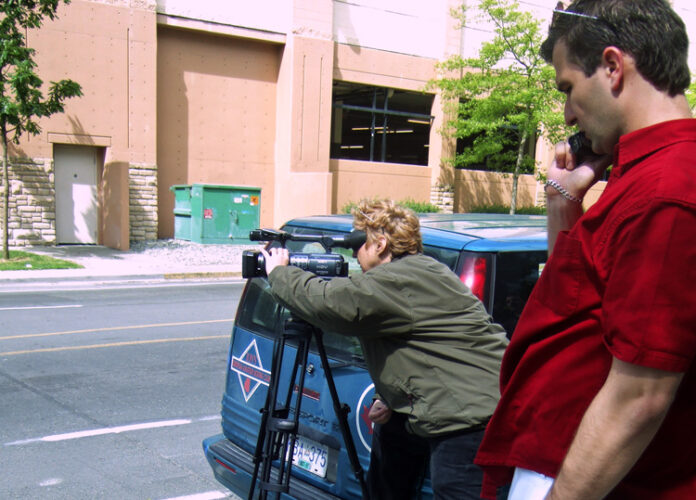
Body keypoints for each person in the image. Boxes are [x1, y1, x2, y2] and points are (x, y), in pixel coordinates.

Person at [474, 1, 696, 498]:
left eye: (568, 88)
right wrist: (563, 202)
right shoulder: (642, 179)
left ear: (613, 67)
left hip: (590, 479)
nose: (569, 112)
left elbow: (639, 395)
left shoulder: (667, 192)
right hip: (560, 458)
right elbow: (573, 306)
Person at [261, 199, 509, 500]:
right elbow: (416, 346)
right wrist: (389, 396)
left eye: (358, 242)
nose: (353, 252)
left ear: (380, 244)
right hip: (453, 404)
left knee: (456, 490)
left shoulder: (396, 280)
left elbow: (329, 304)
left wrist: (279, 273)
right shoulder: (425, 270)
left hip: (471, 417)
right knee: (389, 460)